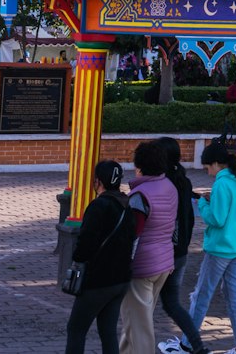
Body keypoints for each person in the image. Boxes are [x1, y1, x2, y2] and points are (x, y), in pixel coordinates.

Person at [186, 139, 236, 354]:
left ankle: (187, 344)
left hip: (220, 248)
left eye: (208, 168)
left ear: (216, 163)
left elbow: (216, 218)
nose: (208, 172)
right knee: (234, 295)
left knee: (201, 296)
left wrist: (203, 203)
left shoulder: (222, 184)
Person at [65, 160, 136, 354]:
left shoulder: (98, 206)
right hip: (120, 279)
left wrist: (77, 259)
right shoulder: (126, 205)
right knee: (108, 331)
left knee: (76, 329)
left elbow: (85, 245)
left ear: (98, 182)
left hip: (98, 280)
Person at [119, 140, 178, 354]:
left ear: (139, 166)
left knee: (139, 327)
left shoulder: (139, 195)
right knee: (135, 322)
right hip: (163, 263)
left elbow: (131, 235)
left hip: (142, 266)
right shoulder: (169, 187)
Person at [155, 138, 200, 354]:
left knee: (142, 303)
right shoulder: (184, 181)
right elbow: (189, 220)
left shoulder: (164, 184)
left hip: (163, 254)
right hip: (180, 251)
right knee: (171, 303)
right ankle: (198, 346)